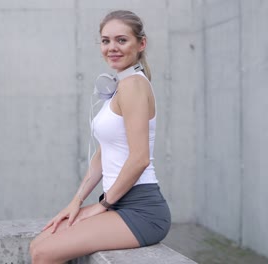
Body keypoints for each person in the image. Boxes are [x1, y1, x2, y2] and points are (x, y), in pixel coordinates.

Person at [30, 10, 171, 264]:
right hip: (119, 203)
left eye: (121, 40)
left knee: (43, 253)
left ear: (141, 44)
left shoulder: (135, 86)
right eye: (106, 41)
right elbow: (103, 153)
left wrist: (102, 205)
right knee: (39, 243)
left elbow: (139, 159)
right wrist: (76, 202)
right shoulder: (120, 87)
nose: (112, 48)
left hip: (142, 210)